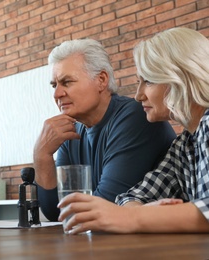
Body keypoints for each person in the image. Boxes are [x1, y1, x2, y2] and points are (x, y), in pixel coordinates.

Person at [58, 27, 209, 234]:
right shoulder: (184, 146)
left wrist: (138, 217)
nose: (138, 95)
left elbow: (121, 212)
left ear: (182, 79)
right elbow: (130, 197)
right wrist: (147, 214)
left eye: (148, 81)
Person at [34, 38, 177, 221]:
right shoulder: (68, 130)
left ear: (101, 80)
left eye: (67, 82)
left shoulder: (136, 114)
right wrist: (41, 154)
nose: (57, 94)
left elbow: (107, 205)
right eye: (54, 85)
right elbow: (57, 213)